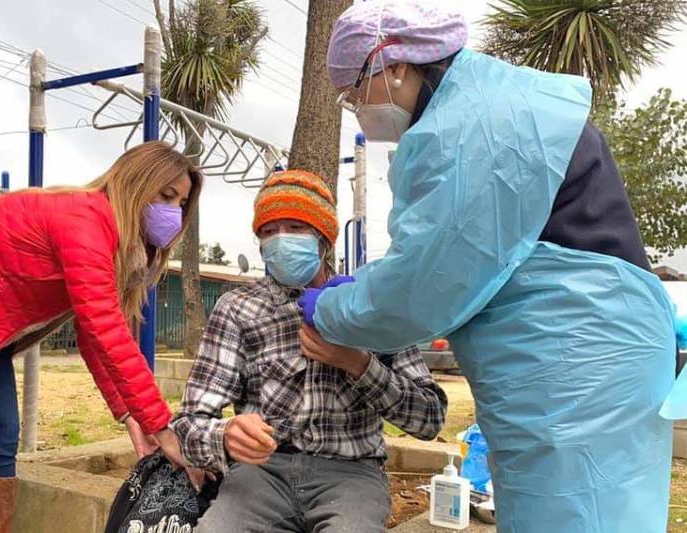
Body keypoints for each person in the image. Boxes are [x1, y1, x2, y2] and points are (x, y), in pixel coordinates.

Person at [297, 2, 677, 532]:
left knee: (578, 511)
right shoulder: (494, 101)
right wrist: (365, 286)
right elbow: (466, 255)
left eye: (354, 88)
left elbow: (421, 287)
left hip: (574, 372)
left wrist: (335, 307)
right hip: (584, 361)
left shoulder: (471, 131)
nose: (356, 105)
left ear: (396, 64)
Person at [0, 142, 202, 533]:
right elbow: (105, 328)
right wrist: (162, 425)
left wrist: (130, 415)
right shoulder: (85, 219)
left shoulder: (116, 242)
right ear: (136, 181)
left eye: (180, 203)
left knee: (0, 440)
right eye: (166, 196)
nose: (173, 212)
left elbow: (94, 336)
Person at [171, 170, 448, 533]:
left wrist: (357, 363)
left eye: (296, 228)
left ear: (323, 240)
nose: (281, 240)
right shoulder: (238, 308)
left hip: (352, 473)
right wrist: (224, 434)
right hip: (262, 473)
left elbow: (429, 419)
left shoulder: (371, 303)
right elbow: (189, 423)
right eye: (269, 231)